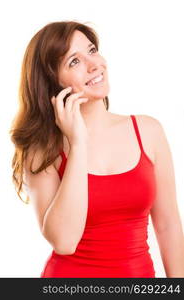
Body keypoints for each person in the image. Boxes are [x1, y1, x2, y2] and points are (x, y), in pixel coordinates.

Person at [10, 21, 184, 278]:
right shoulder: (42, 149)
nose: (94, 65)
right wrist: (78, 142)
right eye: (74, 62)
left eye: (91, 51)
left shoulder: (148, 131)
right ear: (52, 82)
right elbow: (64, 242)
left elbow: (168, 224)